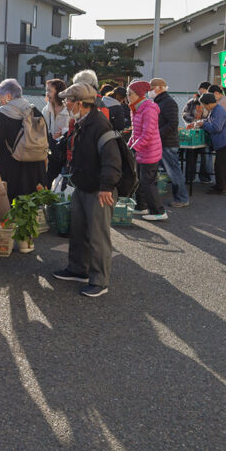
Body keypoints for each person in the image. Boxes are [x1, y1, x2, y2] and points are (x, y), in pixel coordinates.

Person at [51, 83, 121, 298]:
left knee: (98, 235)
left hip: (99, 189)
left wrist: (106, 186)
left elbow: (112, 159)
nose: (65, 105)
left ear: (79, 103)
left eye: (68, 101)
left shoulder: (99, 125)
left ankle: (99, 280)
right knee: (79, 230)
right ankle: (77, 269)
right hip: (83, 185)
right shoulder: (83, 122)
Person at [0, 78, 46, 202]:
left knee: (14, 204)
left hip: (12, 166)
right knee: (33, 204)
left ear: (9, 96)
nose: (0, 101)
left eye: (0, 97)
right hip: (35, 164)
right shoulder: (34, 110)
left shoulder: (3, 112)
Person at [127, 80, 166, 221]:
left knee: (148, 182)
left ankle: (159, 211)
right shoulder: (136, 107)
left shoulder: (148, 109)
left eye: (129, 94)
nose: (127, 96)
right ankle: (141, 206)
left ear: (138, 94)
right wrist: (129, 145)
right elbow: (136, 132)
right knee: (141, 180)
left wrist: (134, 147)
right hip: (142, 151)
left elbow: (147, 134)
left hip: (150, 152)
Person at [150, 77, 189, 208]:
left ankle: (182, 198)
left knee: (174, 171)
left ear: (159, 88)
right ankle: (180, 197)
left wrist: (156, 134)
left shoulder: (168, 102)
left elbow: (172, 124)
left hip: (167, 143)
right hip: (163, 142)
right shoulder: (161, 101)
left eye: (151, 89)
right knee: (171, 171)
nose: (150, 91)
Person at [192, 93, 226, 194]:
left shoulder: (218, 111)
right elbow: (209, 122)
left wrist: (204, 124)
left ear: (208, 104)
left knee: (220, 165)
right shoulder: (216, 110)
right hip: (225, 140)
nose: (203, 107)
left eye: (203, 105)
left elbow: (216, 128)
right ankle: (221, 186)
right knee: (222, 165)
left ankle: (220, 188)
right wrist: (203, 122)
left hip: (225, 141)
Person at [182, 82, 214, 184]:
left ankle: (205, 178)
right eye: (200, 89)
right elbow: (185, 114)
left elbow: (212, 118)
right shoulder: (192, 101)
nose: (201, 91)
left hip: (206, 133)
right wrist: (193, 121)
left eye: (204, 89)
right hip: (192, 132)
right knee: (190, 154)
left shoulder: (211, 102)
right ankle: (189, 177)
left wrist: (202, 122)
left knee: (206, 155)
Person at [42, 78, 70, 187]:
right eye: (46, 90)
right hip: (51, 148)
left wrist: (62, 132)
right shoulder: (46, 109)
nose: (47, 93)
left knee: (64, 180)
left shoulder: (68, 109)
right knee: (48, 177)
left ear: (58, 93)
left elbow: (74, 127)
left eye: (50, 91)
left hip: (65, 148)